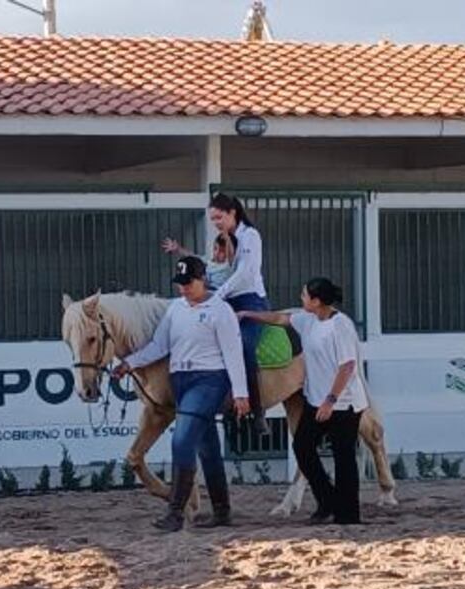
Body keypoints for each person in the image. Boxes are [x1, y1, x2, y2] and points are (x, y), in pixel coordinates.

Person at [112, 255, 250, 532]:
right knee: (208, 447)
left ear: (203, 280)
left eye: (189, 283)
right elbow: (160, 346)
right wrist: (130, 363)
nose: (183, 288)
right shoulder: (175, 309)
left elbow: (233, 354)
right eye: (180, 284)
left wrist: (241, 393)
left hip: (209, 380)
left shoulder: (220, 310)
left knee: (182, 441)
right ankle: (222, 511)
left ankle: (175, 511)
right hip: (182, 379)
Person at [239, 277, 367, 525]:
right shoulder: (307, 320)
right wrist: (248, 314)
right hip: (316, 400)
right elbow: (279, 319)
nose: (301, 298)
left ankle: (348, 515)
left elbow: (347, 366)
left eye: (305, 295)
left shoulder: (340, 326)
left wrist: (331, 400)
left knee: (343, 458)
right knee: (302, 447)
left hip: (343, 404)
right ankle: (328, 499)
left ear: (317, 301)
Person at [206, 193, 271, 436]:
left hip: (251, 302)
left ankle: (257, 410)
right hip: (225, 300)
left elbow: (245, 273)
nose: (216, 223)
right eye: (213, 219)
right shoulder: (225, 239)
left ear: (232, 212)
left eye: (219, 217)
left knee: (243, 345)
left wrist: (218, 295)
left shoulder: (250, 236)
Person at [161, 232, 237, 292]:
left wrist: (227, 238)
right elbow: (192, 256)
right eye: (215, 248)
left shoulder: (228, 265)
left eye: (222, 251)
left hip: (216, 293)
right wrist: (178, 249)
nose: (217, 253)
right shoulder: (208, 261)